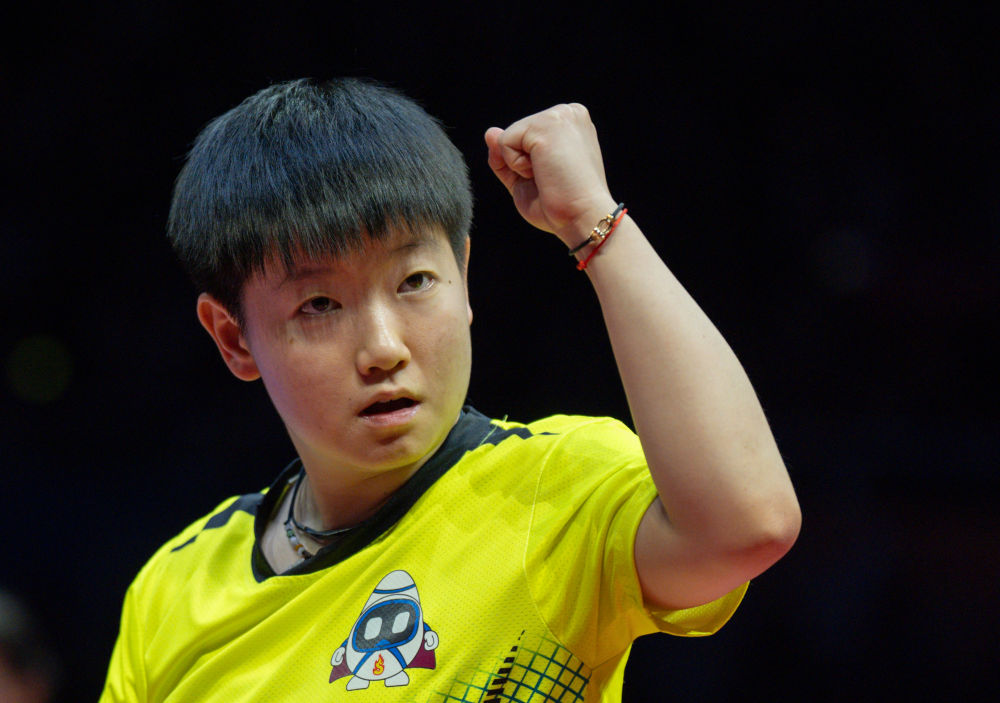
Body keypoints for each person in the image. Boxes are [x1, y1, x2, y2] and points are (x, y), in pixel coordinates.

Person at [100, 78, 800, 702]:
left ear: (463, 278)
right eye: (319, 305)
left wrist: (596, 224)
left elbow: (747, 527)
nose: (383, 348)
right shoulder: (174, 590)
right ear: (234, 338)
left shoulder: (553, 491)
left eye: (414, 282)